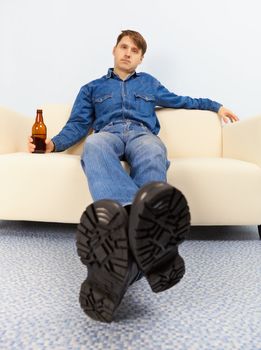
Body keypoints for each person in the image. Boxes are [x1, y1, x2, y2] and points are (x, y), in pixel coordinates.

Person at [28, 30, 239, 323]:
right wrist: (51, 144)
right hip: (109, 133)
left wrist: (215, 105)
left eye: (135, 50)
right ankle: (141, 222)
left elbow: (182, 100)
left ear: (140, 58)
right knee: (94, 144)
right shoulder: (92, 88)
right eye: (124, 47)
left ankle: (128, 251)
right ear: (114, 50)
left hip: (142, 134)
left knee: (154, 151)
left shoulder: (149, 84)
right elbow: (77, 124)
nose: (128, 53)